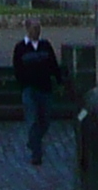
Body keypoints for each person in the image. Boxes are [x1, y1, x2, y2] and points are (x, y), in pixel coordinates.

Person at [11, 15, 66, 166]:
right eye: (35, 28)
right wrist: (23, 84)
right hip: (30, 89)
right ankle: (37, 153)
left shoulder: (46, 46)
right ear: (28, 29)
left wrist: (59, 82)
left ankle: (33, 141)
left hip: (45, 88)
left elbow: (54, 65)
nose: (37, 31)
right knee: (33, 120)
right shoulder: (20, 48)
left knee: (45, 121)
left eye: (39, 28)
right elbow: (17, 68)